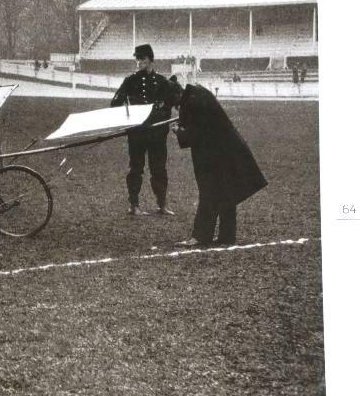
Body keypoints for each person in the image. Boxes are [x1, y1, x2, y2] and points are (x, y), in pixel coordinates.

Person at [163, 76, 267, 247]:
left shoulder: (193, 102)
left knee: (208, 190)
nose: (175, 107)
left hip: (216, 152)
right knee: (226, 191)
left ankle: (201, 236)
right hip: (227, 149)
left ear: (177, 93)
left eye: (174, 103)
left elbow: (197, 134)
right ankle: (227, 236)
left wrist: (179, 131)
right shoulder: (196, 94)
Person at [111, 43, 175, 216]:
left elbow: (172, 103)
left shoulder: (162, 81)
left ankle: (162, 205)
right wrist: (128, 118)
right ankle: (134, 205)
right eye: (137, 59)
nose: (139, 62)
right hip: (137, 133)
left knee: (159, 169)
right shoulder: (130, 81)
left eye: (142, 59)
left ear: (150, 59)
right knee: (135, 169)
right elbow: (115, 103)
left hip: (157, 135)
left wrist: (164, 118)